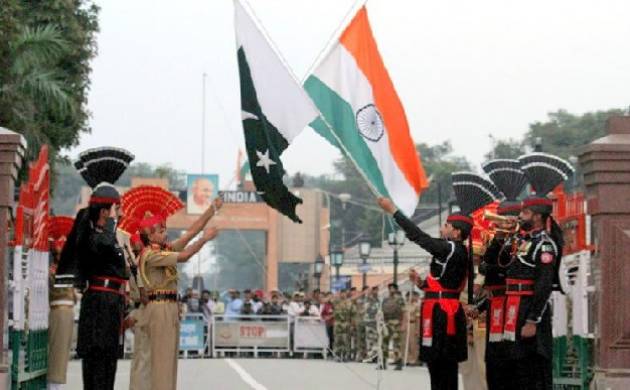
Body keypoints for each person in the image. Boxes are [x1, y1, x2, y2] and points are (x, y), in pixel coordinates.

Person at [378, 171, 498, 390]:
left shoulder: (450, 248)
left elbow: (418, 236)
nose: (442, 228)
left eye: (445, 225)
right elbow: (448, 284)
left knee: (441, 366)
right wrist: (422, 284)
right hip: (444, 308)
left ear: (455, 231)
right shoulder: (459, 251)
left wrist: (393, 211)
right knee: (442, 367)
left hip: (443, 314)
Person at [55, 146, 135, 390]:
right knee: (96, 360)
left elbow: (122, 265)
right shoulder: (92, 234)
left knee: (109, 360)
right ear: (104, 210)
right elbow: (100, 246)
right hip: (99, 300)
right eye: (115, 207)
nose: (118, 213)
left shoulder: (111, 236)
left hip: (112, 303)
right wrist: (111, 223)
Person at [499, 153, 572, 389]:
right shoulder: (523, 241)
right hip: (515, 308)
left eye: (525, 213)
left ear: (538, 216)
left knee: (534, 371)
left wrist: (532, 320)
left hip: (531, 311)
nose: (520, 217)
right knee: (517, 369)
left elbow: (543, 285)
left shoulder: (545, 245)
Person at [138, 196, 222, 390]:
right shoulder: (151, 254)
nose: (165, 233)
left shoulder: (164, 249)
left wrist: (211, 210)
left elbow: (189, 233)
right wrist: (205, 239)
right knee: (161, 360)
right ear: (150, 236)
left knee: (168, 359)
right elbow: (185, 255)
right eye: (160, 230)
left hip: (168, 307)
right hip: (159, 307)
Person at [47, 216, 77, 390]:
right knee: (57, 351)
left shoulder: (65, 269)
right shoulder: (54, 270)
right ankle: (53, 385)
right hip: (59, 310)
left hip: (66, 310)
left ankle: (56, 384)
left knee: (62, 351)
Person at [380, 283, 405, 370]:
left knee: (396, 344)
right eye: (390, 288)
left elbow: (403, 312)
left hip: (396, 323)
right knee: (384, 343)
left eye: (393, 288)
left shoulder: (400, 299)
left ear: (396, 289)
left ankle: (398, 362)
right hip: (387, 323)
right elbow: (382, 311)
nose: (391, 290)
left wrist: (403, 324)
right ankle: (383, 362)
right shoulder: (385, 299)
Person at [333, 289, 355, 362]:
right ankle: (338, 355)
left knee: (346, 340)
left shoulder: (350, 303)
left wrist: (352, 325)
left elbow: (353, 314)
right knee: (337, 340)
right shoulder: (336, 302)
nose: (343, 295)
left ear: (346, 294)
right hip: (338, 323)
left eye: (344, 293)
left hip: (346, 323)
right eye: (341, 293)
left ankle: (345, 355)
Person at [362, 286, 380, 363]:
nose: (376, 292)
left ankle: (375, 356)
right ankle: (370, 356)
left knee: (376, 340)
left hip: (376, 323)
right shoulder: (367, 300)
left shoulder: (378, 300)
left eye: (377, 290)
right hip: (369, 322)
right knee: (369, 340)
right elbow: (367, 310)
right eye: (375, 290)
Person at [403, 291, 421, 366]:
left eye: (410, 296)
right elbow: (403, 316)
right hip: (406, 324)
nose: (409, 297)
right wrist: (403, 325)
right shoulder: (406, 305)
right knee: (406, 343)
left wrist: (417, 329)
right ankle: (407, 359)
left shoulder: (417, 306)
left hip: (413, 324)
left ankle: (414, 359)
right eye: (407, 296)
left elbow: (418, 319)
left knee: (413, 343)